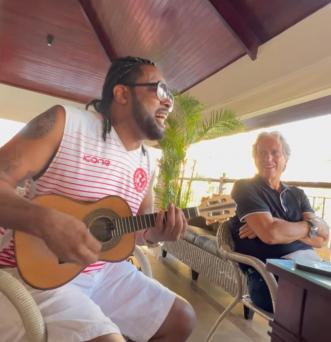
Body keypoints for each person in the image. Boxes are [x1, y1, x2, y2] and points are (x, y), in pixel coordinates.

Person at [0, 56, 197, 341]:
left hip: (103, 271)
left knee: (182, 319)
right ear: (122, 93)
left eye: (171, 96)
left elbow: (139, 228)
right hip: (35, 274)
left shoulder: (146, 161)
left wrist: (156, 233)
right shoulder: (65, 123)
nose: (168, 103)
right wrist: (43, 220)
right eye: (160, 90)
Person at [229, 131, 329, 312]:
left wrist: (279, 224)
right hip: (269, 276)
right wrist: (307, 228)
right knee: (321, 311)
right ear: (255, 158)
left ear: (285, 160)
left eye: (275, 152)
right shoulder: (245, 187)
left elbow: (323, 238)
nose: (268, 158)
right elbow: (271, 234)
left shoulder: (297, 194)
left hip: (311, 266)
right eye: (262, 153)